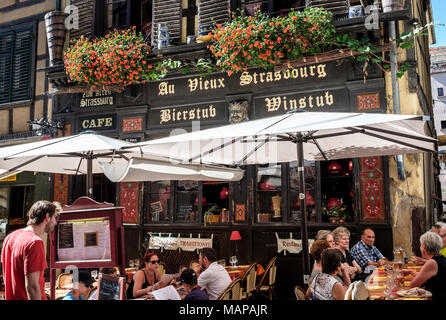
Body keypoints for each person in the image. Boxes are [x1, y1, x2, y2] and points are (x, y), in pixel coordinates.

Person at [1, 200, 58, 300]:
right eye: (55, 217)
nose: (56, 222)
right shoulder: (35, 242)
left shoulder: (9, 238)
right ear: (47, 217)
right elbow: (32, 287)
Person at [401, 231, 446, 301]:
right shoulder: (441, 259)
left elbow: (414, 285)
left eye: (420, 245)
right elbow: (425, 277)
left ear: (424, 246)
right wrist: (411, 271)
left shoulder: (432, 263)